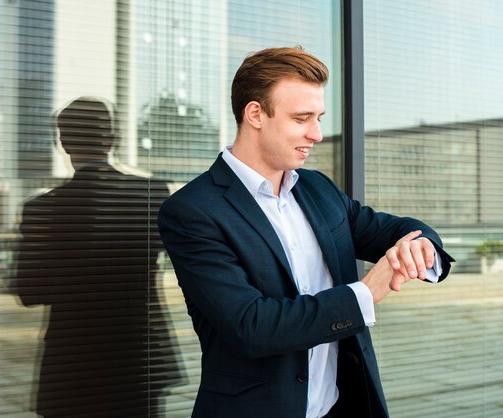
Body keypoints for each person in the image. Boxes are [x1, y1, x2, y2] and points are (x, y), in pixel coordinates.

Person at [157, 47, 454, 418]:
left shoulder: (318, 189)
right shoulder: (193, 211)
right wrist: (365, 293)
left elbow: (394, 229)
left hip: (340, 408)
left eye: (319, 118)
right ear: (255, 114)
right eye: (301, 118)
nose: (316, 134)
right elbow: (251, 326)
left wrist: (421, 244)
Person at [13, 97, 185, 417]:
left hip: (71, 362)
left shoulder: (42, 209)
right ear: (113, 139)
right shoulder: (151, 192)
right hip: (138, 356)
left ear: (62, 142)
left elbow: (29, 293)